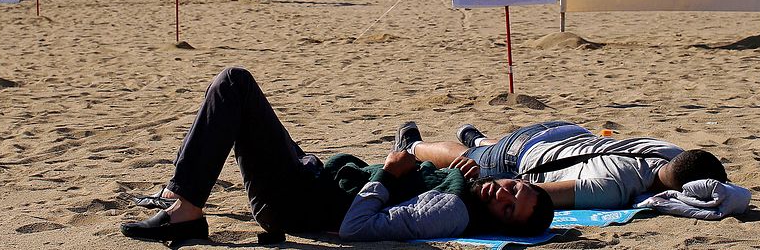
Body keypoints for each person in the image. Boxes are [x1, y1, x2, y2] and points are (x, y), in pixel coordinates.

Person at [119, 68, 553, 244]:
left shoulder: (450, 210)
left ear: (501, 223)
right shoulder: (464, 189)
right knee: (238, 108)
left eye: (508, 208)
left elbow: (356, 227)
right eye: (514, 188)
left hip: (295, 200)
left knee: (234, 85)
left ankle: (187, 210)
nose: (503, 193)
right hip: (311, 176)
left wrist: (386, 173)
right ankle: (183, 195)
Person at [407, 121, 727, 211]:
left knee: (488, 148)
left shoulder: (668, 150)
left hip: (566, 131)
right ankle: (413, 146)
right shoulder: (612, 187)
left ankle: (480, 139)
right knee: (467, 159)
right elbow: (533, 191)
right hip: (522, 155)